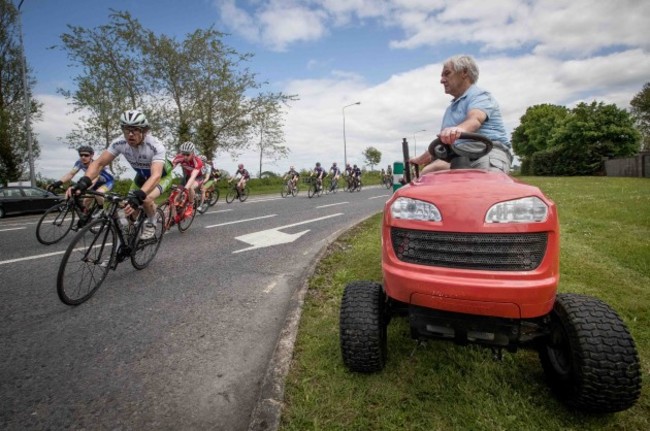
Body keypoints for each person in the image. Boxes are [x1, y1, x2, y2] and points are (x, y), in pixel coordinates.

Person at [72, 109, 172, 240]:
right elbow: (98, 163)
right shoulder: (119, 142)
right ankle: (129, 236)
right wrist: (85, 180)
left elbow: (156, 175)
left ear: (144, 131)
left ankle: (151, 223)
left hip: (161, 177)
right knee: (128, 209)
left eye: (135, 130)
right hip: (141, 177)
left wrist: (139, 196)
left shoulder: (155, 146)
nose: (130, 134)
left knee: (146, 199)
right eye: (126, 130)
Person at [410, 55, 512, 174]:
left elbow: (475, 119)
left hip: (486, 151)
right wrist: (419, 160)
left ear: (464, 72)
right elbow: (442, 142)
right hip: (458, 155)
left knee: (486, 184)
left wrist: (457, 130)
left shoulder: (480, 96)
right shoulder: (450, 109)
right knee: (428, 172)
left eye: (447, 74)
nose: (442, 80)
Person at [52, 145, 114, 210]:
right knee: (86, 201)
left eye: (86, 155)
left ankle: (101, 211)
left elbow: (94, 180)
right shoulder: (79, 163)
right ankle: (87, 216)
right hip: (94, 182)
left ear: (91, 156)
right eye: (81, 155)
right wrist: (58, 183)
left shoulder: (96, 164)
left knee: (98, 193)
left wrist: (81, 189)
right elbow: (71, 174)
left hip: (107, 181)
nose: (83, 157)